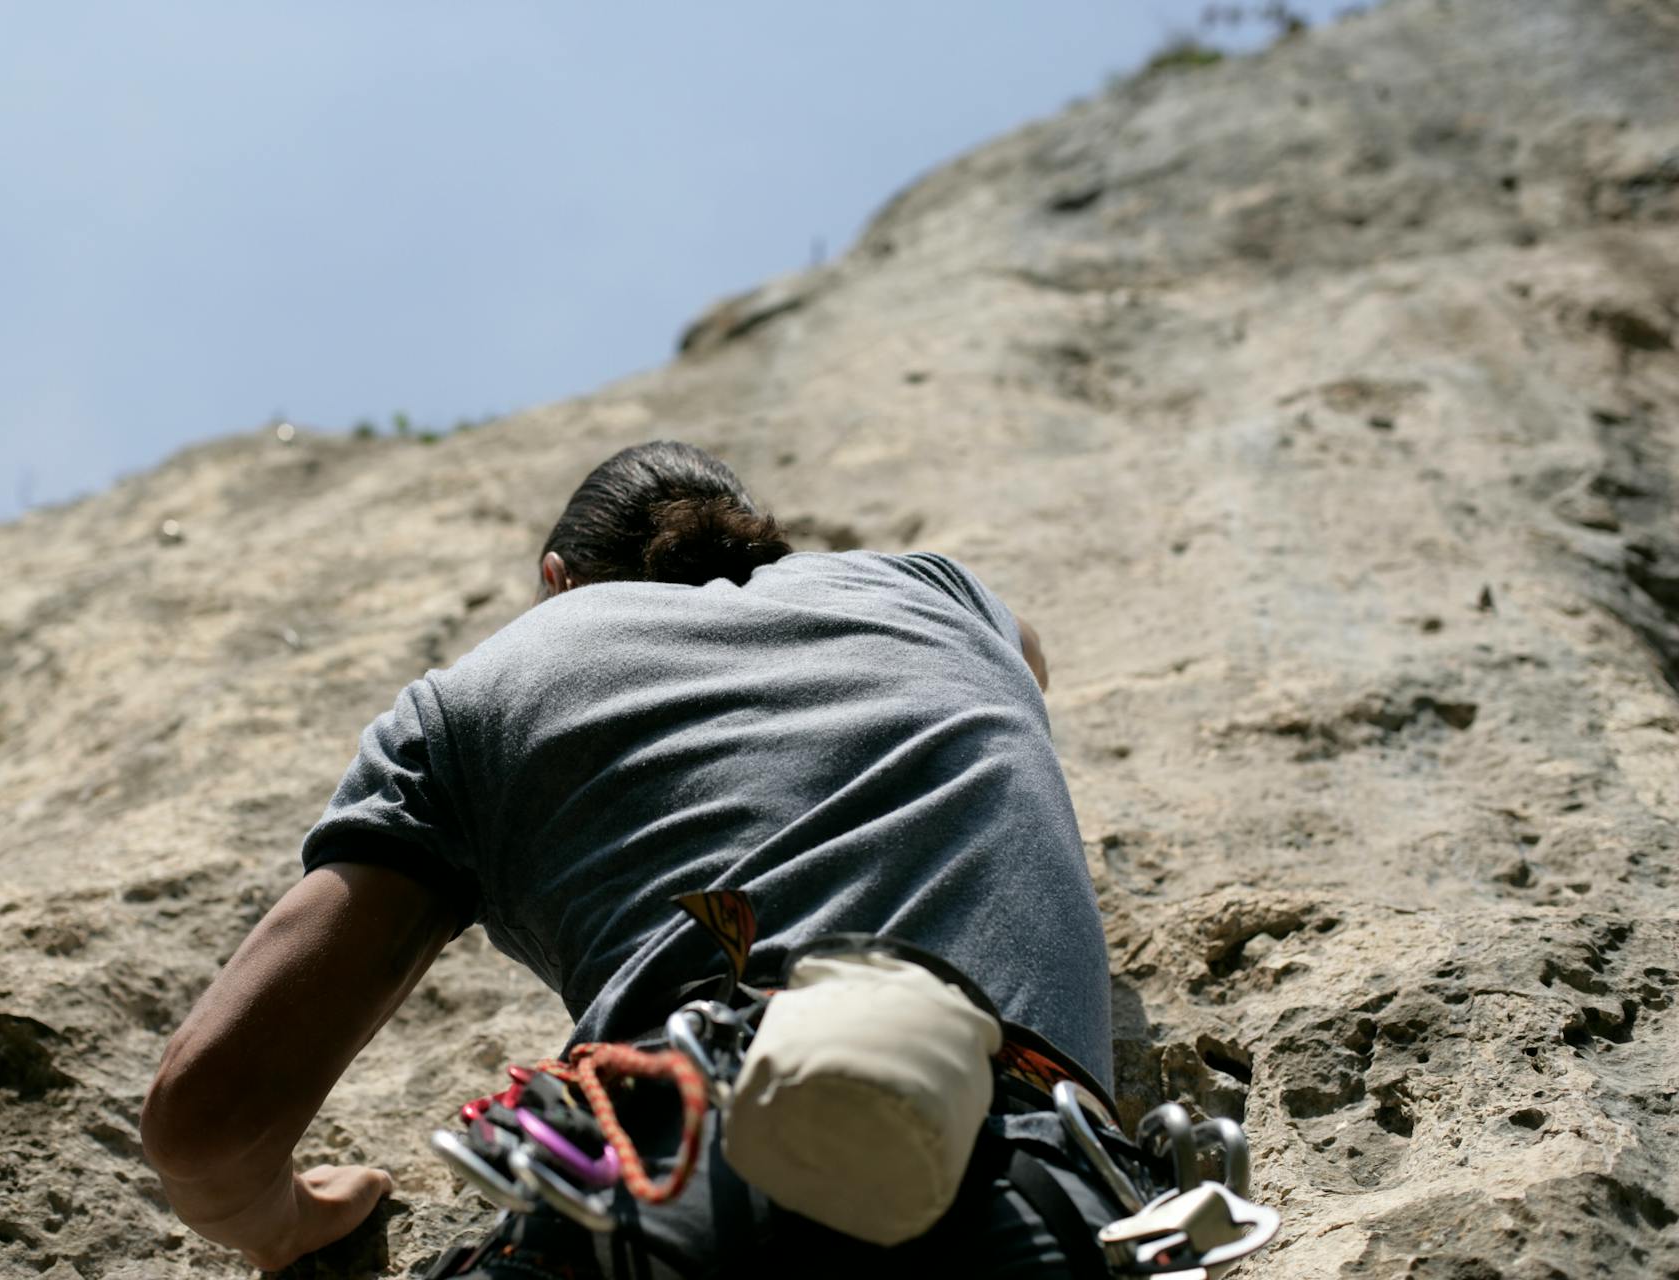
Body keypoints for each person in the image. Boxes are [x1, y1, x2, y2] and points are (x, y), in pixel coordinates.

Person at [140, 441, 1118, 1276]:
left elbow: (207, 1120)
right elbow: (1028, 657)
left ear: (559, 581)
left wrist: (291, 1219)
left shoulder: (479, 693)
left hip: (670, 1184)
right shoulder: (935, 589)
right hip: (1033, 1186)